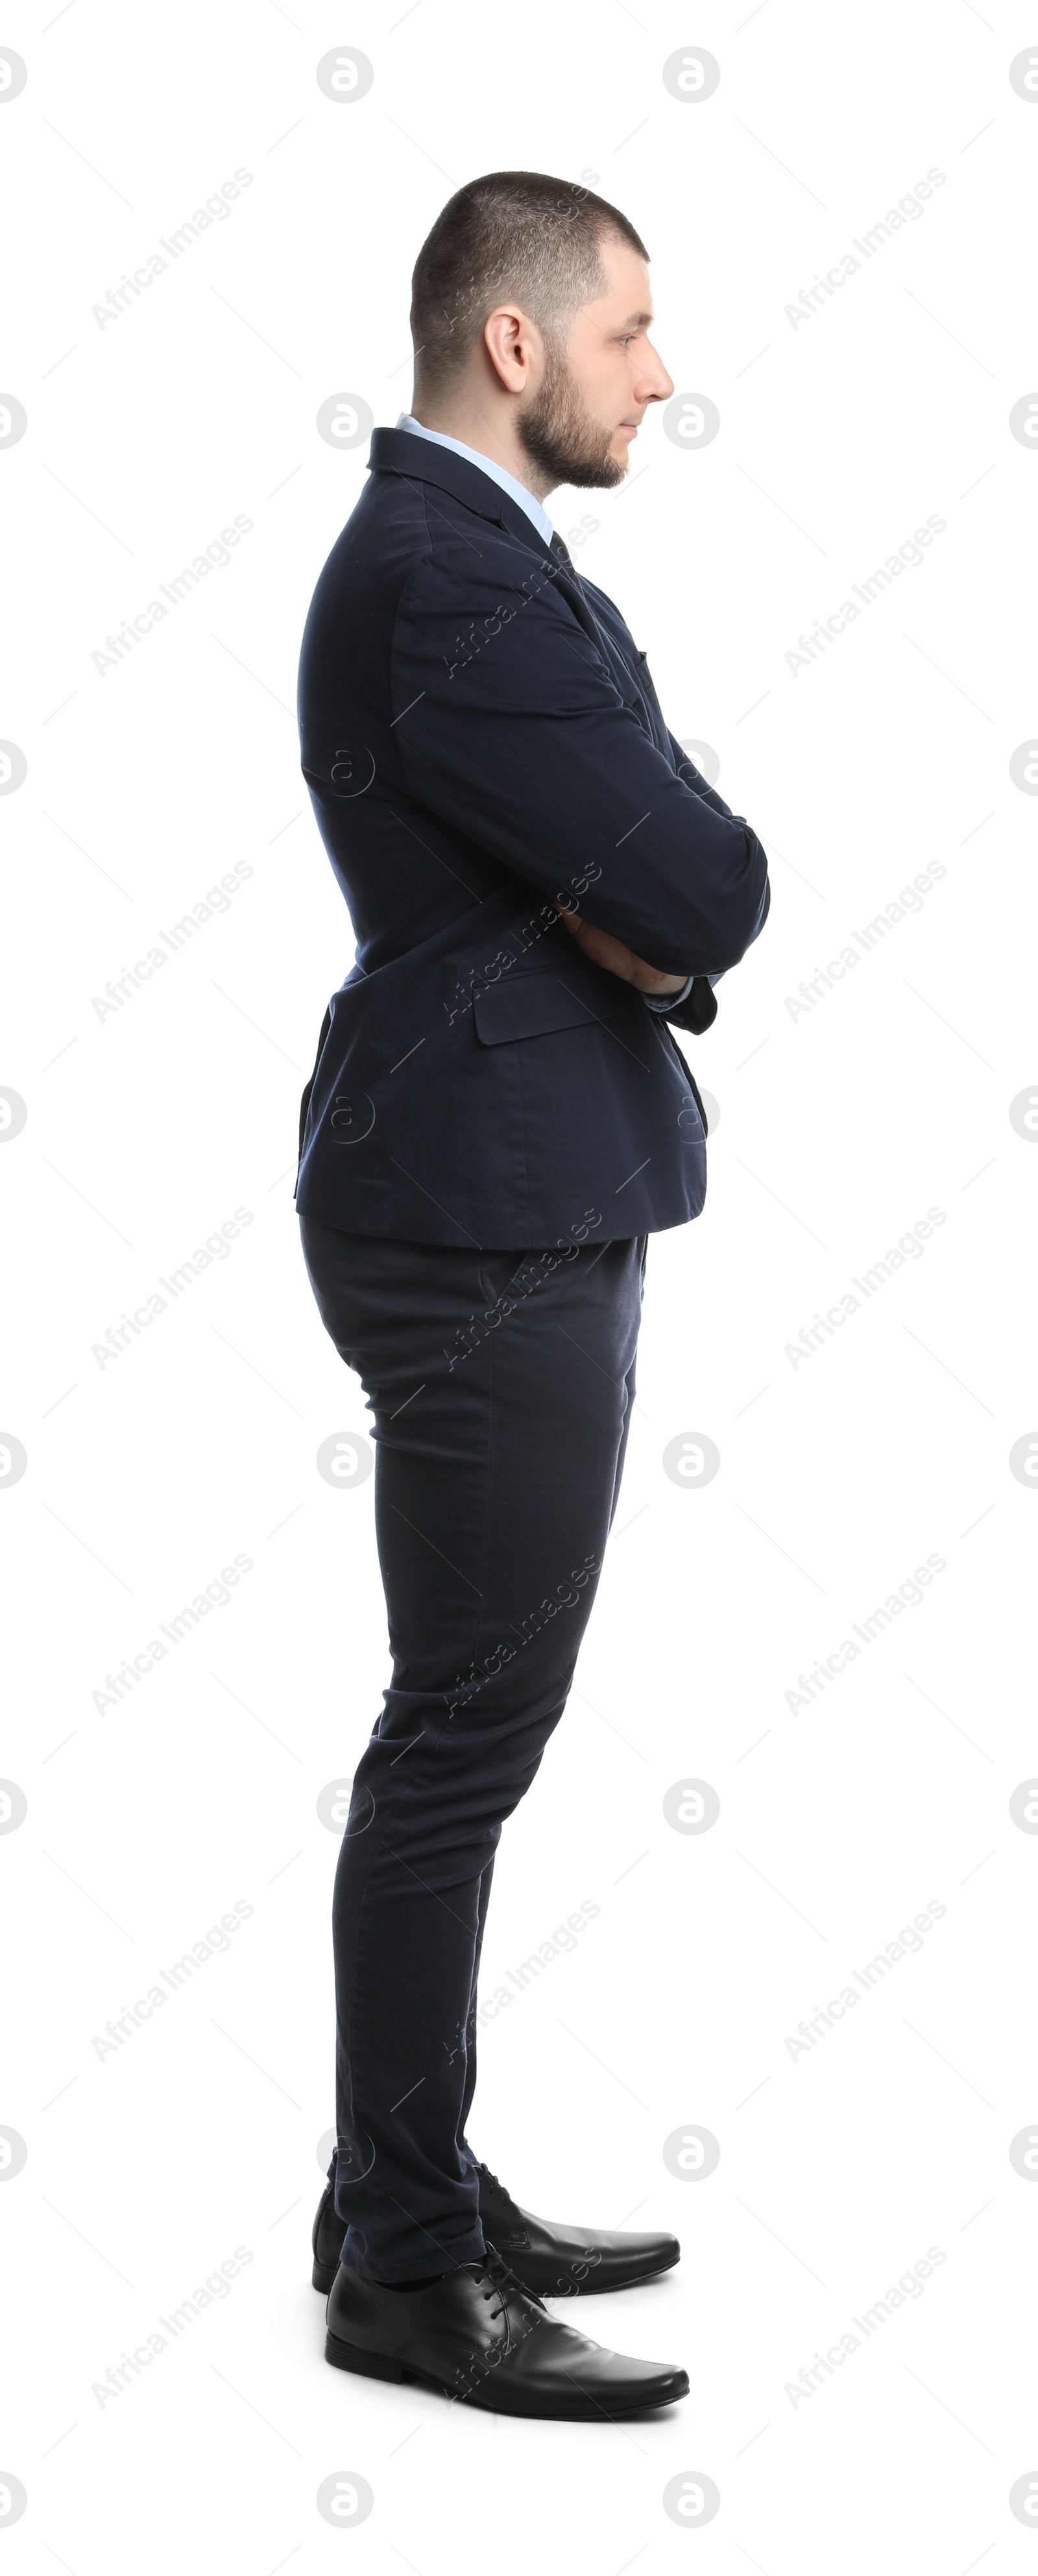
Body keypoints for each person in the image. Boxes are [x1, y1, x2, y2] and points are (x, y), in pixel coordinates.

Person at [295, 170, 769, 2420]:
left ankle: (407, 2173)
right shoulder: (445, 582)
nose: (659, 373)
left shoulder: (476, 563)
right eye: (633, 332)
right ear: (515, 343)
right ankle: (402, 2260)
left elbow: (654, 868)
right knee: (461, 1739)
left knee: (469, 1730)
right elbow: (701, 868)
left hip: (517, 1178)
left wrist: (641, 900)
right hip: (480, 1213)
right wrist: (651, 899)